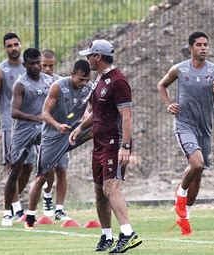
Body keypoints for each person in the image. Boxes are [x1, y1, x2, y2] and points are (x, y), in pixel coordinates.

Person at [70, 39, 142, 253]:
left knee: (111, 188)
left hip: (114, 144)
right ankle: (107, 236)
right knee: (100, 192)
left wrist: (125, 146)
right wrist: (80, 128)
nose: (87, 59)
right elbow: (95, 113)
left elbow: (127, 117)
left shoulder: (118, 81)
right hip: (99, 145)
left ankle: (128, 234)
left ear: (98, 57)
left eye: (89, 55)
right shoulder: (100, 79)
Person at [157, 31, 214, 236]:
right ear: (191, 48)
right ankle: (180, 194)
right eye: (199, 44)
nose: (204, 48)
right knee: (196, 163)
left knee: (198, 174)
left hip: (205, 128)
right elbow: (161, 85)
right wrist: (168, 104)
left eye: (206, 44)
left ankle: (184, 217)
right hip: (185, 124)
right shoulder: (179, 69)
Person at [24, 60, 92, 229]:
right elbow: (45, 113)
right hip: (53, 135)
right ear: (72, 73)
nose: (83, 83)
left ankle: (60, 209)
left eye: (86, 80)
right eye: (80, 80)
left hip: (73, 131)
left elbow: (92, 110)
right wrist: (57, 125)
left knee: (99, 129)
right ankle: (30, 217)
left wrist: (86, 118)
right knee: (41, 177)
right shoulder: (58, 86)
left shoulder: (89, 88)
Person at [0, 32, 32, 226]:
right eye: (9, 45)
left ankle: (12, 203)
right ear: (5, 48)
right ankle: (15, 208)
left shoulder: (28, 68)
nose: (13, 48)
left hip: (30, 126)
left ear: (21, 45)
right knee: (12, 167)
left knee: (28, 167)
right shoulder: (0, 71)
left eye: (16, 44)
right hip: (9, 127)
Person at [3, 48, 52, 226]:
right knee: (15, 170)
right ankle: (7, 211)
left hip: (42, 130)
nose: (37, 66)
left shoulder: (48, 80)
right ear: (25, 65)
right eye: (32, 63)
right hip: (23, 131)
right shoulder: (20, 83)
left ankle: (48, 200)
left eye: (38, 62)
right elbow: (14, 111)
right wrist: (36, 117)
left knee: (49, 161)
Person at [39, 48, 68, 218]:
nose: (48, 69)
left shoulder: (61, 83)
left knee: (62, 169)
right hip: (44, 133)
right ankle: (47, 193)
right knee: (47, 169)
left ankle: (59, 209)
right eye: (44, 65)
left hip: (62, 133)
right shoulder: (34, 82)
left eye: (51, 66)